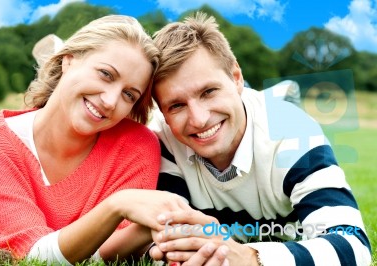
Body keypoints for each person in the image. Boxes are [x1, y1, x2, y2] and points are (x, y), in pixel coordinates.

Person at [0, 14, 216, 265]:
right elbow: (27, 257)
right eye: (105, 74)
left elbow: (106, 254)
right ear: (68, 60)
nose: (111, 101)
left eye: (128, 94)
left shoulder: (136, 146)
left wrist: (158, 225)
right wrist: (116, 206)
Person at [147, 12, 372, 265]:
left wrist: (250, 257)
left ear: (236, 78)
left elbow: (354, 247)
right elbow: (165, 243)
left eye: (208, 91)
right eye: (176, 105)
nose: (199, 119)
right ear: (163, 112)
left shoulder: (294, 130)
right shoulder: (161, 137)